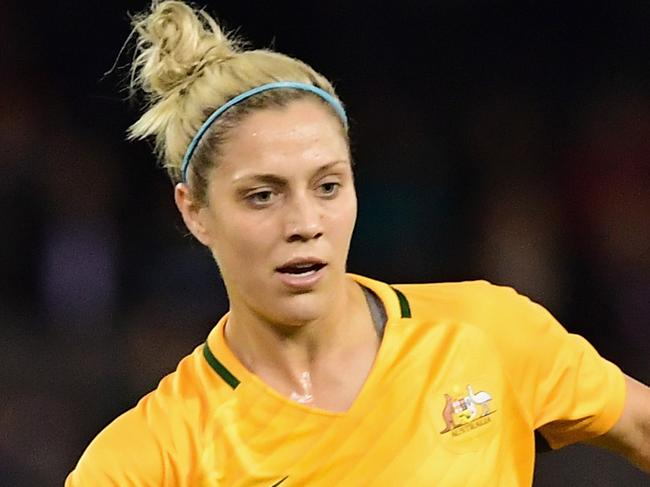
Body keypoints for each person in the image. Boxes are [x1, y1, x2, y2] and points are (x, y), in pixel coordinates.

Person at [66, 1, 650, 485]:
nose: (305, 222)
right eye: (262, 195)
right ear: (195, 213)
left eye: (327, 186)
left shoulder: (488, 332)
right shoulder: (146, 461)